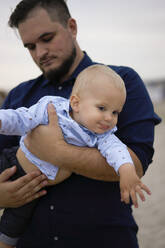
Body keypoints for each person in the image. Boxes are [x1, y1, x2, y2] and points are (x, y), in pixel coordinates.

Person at [0, 0, 161, 247]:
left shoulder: (122, 84)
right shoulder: (19, 96)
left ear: (72, 27)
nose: (40, 52)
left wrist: (57, 152)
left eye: (47, 38)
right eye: (30, 46)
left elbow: (135, 164)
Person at [0, 64, 151, 248]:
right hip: (12, 161)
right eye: (102, 108)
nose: (109, 118)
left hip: (34, 186)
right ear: (76, 103)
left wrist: (126, 171)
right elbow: (22, 119)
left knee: (13, 226)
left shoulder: (101, 136)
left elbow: (117, 152)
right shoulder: (52, 108)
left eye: (115, 112)